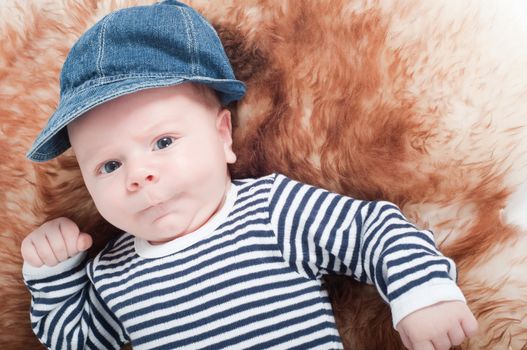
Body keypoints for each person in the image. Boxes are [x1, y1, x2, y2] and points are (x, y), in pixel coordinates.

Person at [21, 1, 478, 349]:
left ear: (223, 137)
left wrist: (422, 293)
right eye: (109, 165)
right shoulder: (112, 273)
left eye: (163, 143)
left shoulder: (272, 212)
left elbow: (372, 229)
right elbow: (73, 339)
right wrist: (54, 272)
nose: (138, 176)